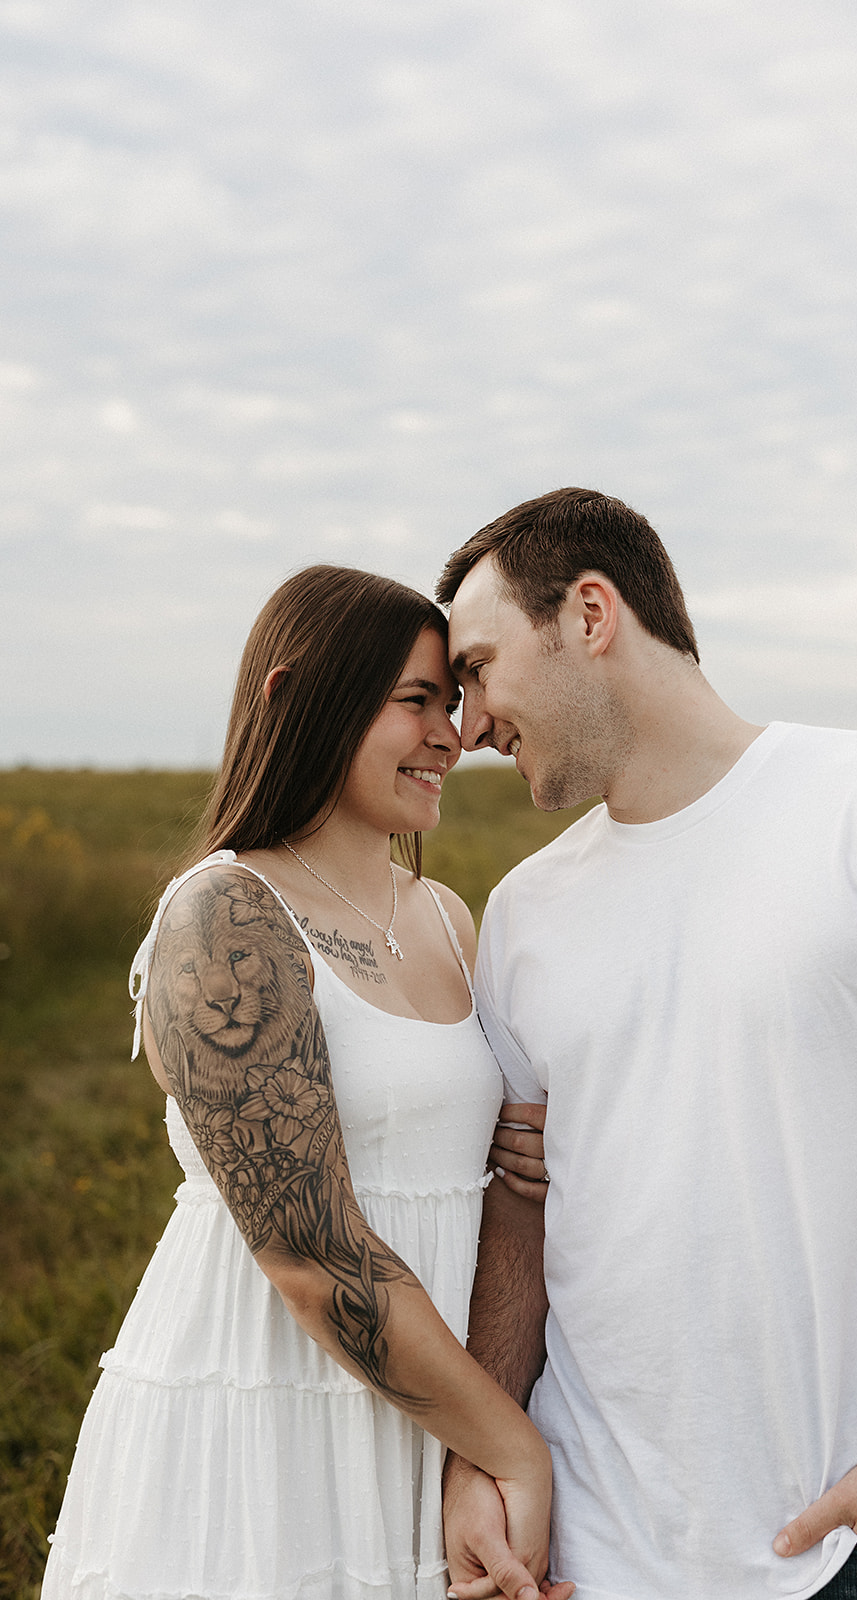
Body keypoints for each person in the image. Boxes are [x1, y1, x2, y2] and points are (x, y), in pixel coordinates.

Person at [434, 488, 857, 1600]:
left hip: (852, 1551)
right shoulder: (524, 911)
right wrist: (480, 1461)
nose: (468, 723)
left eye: (478, 669)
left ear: (590, 614)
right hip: (588, 1555)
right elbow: (522, 1210)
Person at [41, 564, 563, 1600]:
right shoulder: (225, 916)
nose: (451, 736)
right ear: (296, 696)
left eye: (454, 702)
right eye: (415, 701)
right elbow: (310, 1256)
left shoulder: (447, 919)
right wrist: (516, 1449)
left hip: (438, 1413)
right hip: (265, 1411)